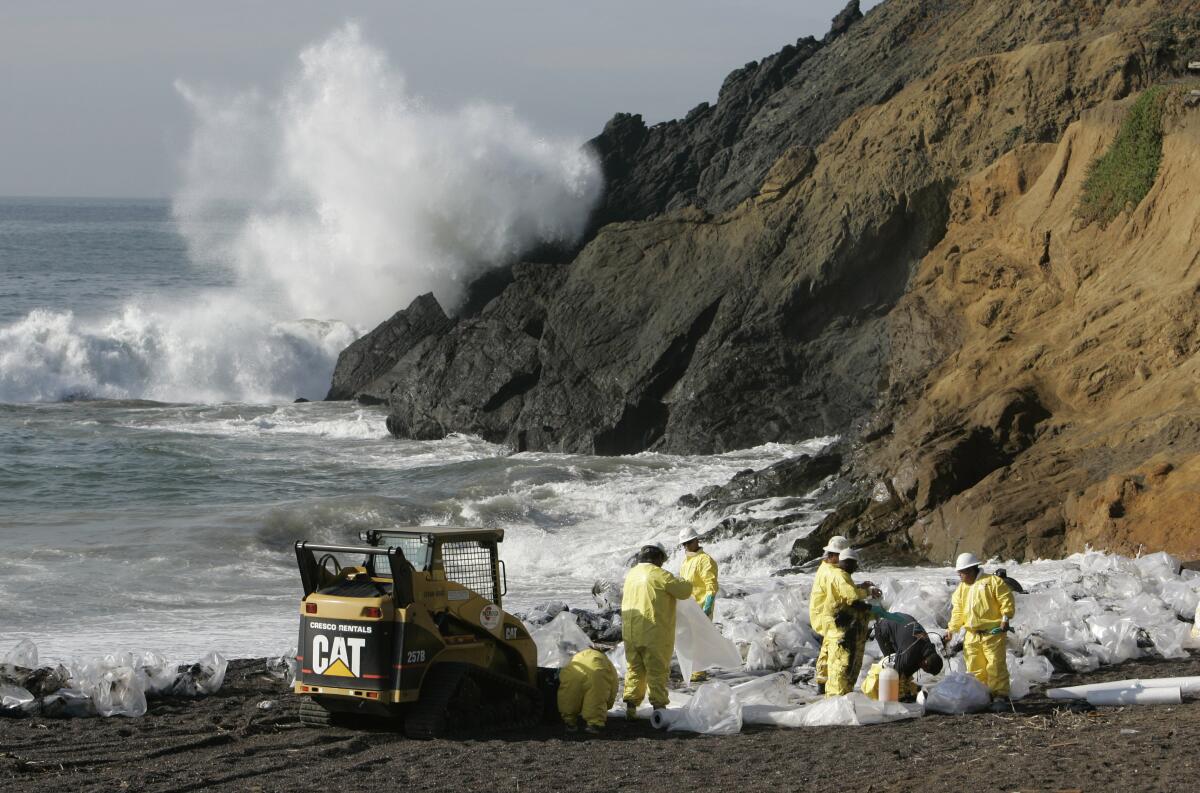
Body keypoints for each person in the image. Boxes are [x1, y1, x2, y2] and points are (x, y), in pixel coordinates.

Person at [621, 543, 693, 718]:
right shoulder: (660, 575)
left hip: (630, 632)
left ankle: (631, 709)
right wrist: (685, 579)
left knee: (634, 669)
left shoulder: (631, 574)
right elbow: (684, 591)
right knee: (657, 671)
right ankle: (659, 709)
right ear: (658, 557)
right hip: (653, 632)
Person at [944, 552, 1016, 707]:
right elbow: (958, 611)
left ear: (971, 570)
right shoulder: (962, 589)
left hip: (993, 633)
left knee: (995, 665)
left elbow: (1006, 600)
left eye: (961, 572)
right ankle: (982, 693)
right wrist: (951, 629)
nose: (959, 575)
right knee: (975, 666)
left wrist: (1005, 618)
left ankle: (1000, 695)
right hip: (972, 635)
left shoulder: (992, 582)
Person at [814, 546, 878, 696]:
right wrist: (872, 610)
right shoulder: (840, 576)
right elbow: (853, 600)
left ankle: (833, 694)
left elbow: (849, 593)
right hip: (841, 632)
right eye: (854, 564)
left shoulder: (837, 573)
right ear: (848, 562)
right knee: (842, 666)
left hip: (836, 627)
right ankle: (836, 699)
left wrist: (865, 591)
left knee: (837, 664)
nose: (856, 568)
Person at [860, 611, 943, 701]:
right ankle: (886, 693)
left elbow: (913, 665)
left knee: (906, 668)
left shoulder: (928, 648)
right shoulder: (910, 652)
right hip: (883, 629)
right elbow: (896, 671)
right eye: (926, 670)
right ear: (925, 663)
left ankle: (903, 690)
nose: (923, 670)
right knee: (891, 669)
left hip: (900, 623)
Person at [809, 535, 851, 694]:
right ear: (833, 556)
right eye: (841, 556)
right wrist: (865, 592)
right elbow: (846, 593)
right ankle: (828, 685)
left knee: (826, 647)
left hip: (821, 613)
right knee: (831, 649)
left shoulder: (824, 567)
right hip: (827, 615)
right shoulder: (833, 573)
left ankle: (822, 682)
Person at [558, 647, 619, 734]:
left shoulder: (577, 655)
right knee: (595, 698)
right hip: (597, 674)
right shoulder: (605, 659)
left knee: (570, 695)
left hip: (574, 672)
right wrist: (608, 704)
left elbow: (563, 673)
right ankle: (594, 724)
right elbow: (614, 684)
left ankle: (569, 722)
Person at [678, 529, 718, 619]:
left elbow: (711, 586)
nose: (687, 546)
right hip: (687, 610)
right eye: (684, 544)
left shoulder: (705, 560)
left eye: (689, 542)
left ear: (697, 540)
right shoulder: (685, 561)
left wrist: (707, 607)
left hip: (701, 612)